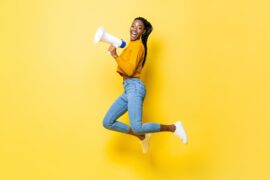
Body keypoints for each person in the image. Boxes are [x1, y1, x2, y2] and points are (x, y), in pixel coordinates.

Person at [103, 17, 188, 153]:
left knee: (136, 126)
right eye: (133, 26)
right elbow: (124, 67)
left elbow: (130, 70)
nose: (135, 29)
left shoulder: (138, 46)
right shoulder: (131, 45)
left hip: (135, 88)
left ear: (143, 31)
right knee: (107, 122)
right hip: (128, 89)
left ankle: (173, 127)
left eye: (139, 28)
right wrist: (115, 53)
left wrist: (115, 55)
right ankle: (141, 136)